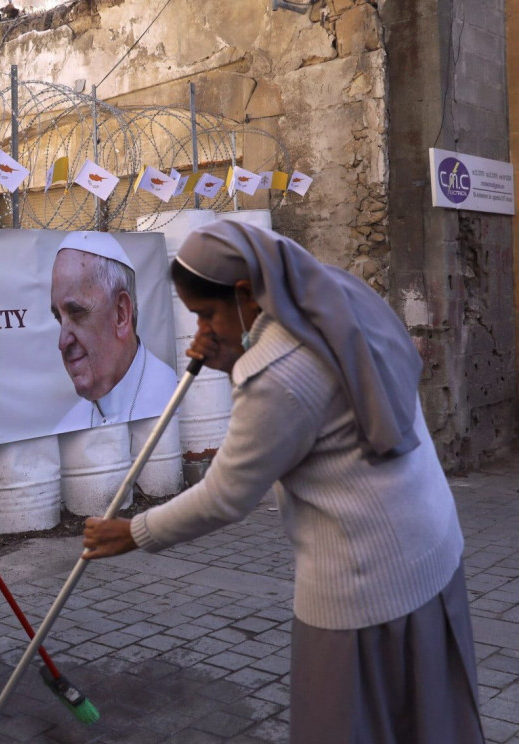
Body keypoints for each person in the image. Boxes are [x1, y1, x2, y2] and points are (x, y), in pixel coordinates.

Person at [81, 220, 484, 743]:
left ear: (246, 294)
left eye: (206, 315)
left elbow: (227, 494)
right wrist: (231, 353)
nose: (201, 331)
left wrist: (134, 532)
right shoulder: (331, 294)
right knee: (427, 720)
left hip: (367, 584)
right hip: (428, 547)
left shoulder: (278, 372)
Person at [50, 230, 177, 433]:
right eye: (59, 318)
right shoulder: (68, 427)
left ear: (121, 313)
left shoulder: (175, 398)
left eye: (76, 313)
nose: (62, 342)